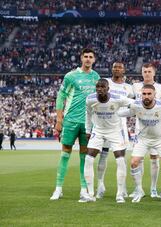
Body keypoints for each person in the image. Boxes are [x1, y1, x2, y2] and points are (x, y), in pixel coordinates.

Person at [50, 48, 100, 202]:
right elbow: (60, 97)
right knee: (65, 152)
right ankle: (58, 188)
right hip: (71, 120)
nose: (88, 59)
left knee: (85, 156)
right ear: (81, 58)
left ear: (94, 59)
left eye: (90, 57)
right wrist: (59, 120)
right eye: (85, 56)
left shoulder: (96, 77)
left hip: (88, 123)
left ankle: (83, 190)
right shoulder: (71, 76)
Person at [118, 84, 161, 203]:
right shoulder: (136, 105)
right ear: (141, 94)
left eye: (149, 94)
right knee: (134, 163)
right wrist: (109, 110)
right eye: (144, 94)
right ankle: (139, 189)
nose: (146, 96)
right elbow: (125, 113)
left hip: (160, 139)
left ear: (154, 94)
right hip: (143, 139)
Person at [84, 79, 133, 203]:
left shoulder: (118, 98)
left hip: (115, 131)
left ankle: (119, 194)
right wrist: (88, 130)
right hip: (98, 131)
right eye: (98, 87)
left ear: (108, 88)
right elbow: (88, 115)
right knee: (89, 159)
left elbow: (134, 105)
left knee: (121, 161)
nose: (100, 89)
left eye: (103, 87)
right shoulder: (90, 99)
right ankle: (90, 194)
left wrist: (122, 113)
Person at [95, 61, 134, 199]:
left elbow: (133, 106)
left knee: (121, 156)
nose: (117, 69)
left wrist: (125, 114)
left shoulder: (129, 88)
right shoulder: (105, 84)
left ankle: (122, 189)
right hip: (105, 123)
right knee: (103, 154)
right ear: (112, 69)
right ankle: (100, 185)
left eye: (120, 67)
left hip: (120, 124)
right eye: (115, 67)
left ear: (124, 70)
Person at [131, 63, 161, 198]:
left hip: (155, 127)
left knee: (154, 158)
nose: (147, 74)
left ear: (154, 73)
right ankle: (138, 188)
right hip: (140, 127)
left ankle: (153, 188)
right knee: (137, 159)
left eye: (149, 71)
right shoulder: (135, 87)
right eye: (144, 71)